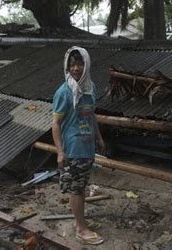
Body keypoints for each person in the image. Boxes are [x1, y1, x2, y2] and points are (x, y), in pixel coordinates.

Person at [52, 46, 106, 245]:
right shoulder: (64, 92)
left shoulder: (90, 88)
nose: (76, 68)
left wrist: (99, 138)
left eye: (79, 63)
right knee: (77, 189)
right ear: (67, 67)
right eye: (72, 64)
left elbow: (91, 115)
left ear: (86, 64)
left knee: (81, 187)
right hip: (74, 148)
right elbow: (56, 124)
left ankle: (79, 222)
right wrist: (59, 152)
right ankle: (81, 229)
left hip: (88, 146)